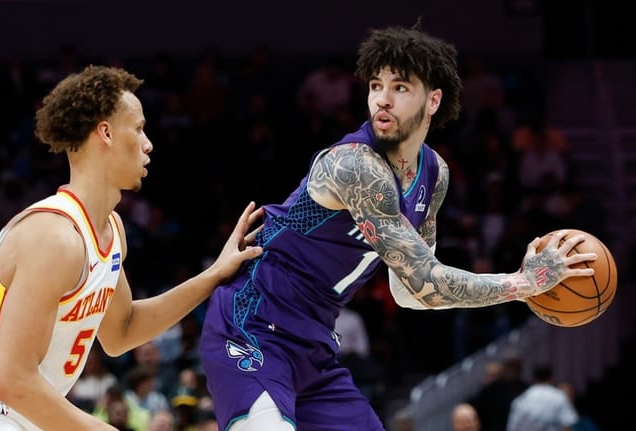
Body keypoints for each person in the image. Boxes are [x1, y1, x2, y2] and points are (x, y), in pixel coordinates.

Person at [197, 23, 597, 431]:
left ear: (433, 99)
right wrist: (524, 283)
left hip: (313, 343)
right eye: (375, 86)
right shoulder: (355, 165)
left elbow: (411, 293)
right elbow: (428, 282)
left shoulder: (434, 173)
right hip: (251, 325)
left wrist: (523, 284)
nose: (382, 99)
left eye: (400, 87)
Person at [0, 65, 263, 431]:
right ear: (106, 133)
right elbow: (12, 380)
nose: (148, 144)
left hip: (20, 418)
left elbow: (122, 331)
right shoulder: (54, 237)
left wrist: (213, 275)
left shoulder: (111, 230)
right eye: (139, 128)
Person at [506, 365, 578, 431]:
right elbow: (567, 424)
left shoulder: (521, 399)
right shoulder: (559, 397)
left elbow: (513, 427)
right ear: (551, 377)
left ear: (534, 378)